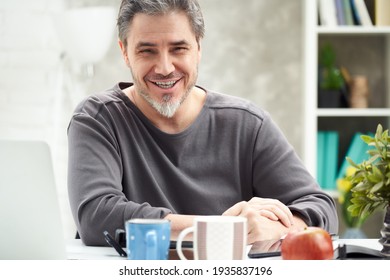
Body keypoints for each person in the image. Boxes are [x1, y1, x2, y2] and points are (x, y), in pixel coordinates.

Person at [67, 0, 338, 246]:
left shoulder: (247, 125)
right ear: (125, 52)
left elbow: (320, 208)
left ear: (198, 48)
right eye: (147, 51)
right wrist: (224, 229)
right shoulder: (97, 119)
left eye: (178, 48)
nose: (164, 67)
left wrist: (280, 227)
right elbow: (96, 217)